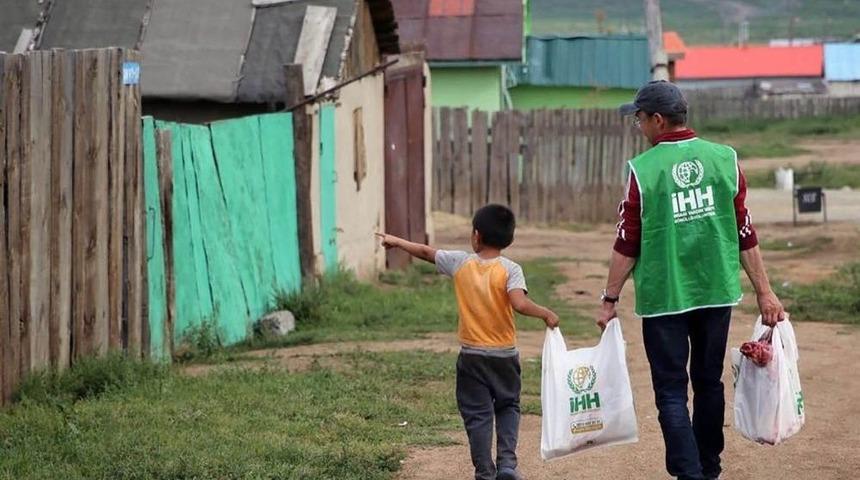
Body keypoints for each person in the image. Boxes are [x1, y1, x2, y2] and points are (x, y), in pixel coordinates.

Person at [595, 81, 787, 480]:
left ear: (658, 120)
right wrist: (764, 292)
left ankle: (689, 473)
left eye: (639, 119)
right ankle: (709, 467)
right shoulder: (724, 159)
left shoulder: (643, 170)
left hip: (664, 297)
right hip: (716, 292)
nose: (638, 126)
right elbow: (744, 231)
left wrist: (610, 298)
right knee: (708, 382)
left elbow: (627, 242)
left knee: (670, 391)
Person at [377, 204, 559, 480]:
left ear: (476, 235)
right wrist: (545, 313)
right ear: (509, 239)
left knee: (478, 415)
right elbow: (520, 304)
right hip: (504, 356)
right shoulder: (511, 269)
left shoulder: (460, 262)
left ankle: (484, 471)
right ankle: (507, 464)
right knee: (508, 406)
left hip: (471, 357)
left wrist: (397, 241)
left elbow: (426, 252)